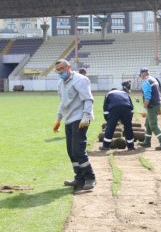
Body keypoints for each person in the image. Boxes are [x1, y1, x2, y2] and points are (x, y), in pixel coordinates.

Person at [52, 59, 96, 191]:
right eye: (58, 70)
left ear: (68, 67)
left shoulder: (80, 80)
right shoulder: (61, 83)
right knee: (71, 151)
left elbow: (88, 99)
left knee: (78, 150)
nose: (60, 72)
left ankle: (90, 178)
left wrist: (86, 116)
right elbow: (62, 102)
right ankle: (79, 178)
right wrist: (58, 119)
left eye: (62, 69)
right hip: (69, 119)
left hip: (81, 118)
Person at [138, 67, 161, 150]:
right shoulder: (153, 79)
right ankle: (147, 142)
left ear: (143, 73)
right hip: (157, 104)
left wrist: (144, 108)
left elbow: (148, 97)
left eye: (140, 74)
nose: (140, 76)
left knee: (153, 126)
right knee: (147, 124)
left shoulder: (146, 82)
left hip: (152, 106)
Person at [101, 81, 136, 151]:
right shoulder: (125, 93)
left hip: (114, 109)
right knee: (128, 127)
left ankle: (105, 146)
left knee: (110, 127)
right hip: (127, 109)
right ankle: (131, 146)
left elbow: (105, 108)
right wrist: (129, 119)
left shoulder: (108, 94)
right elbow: (131, 106)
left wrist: (108, 120)